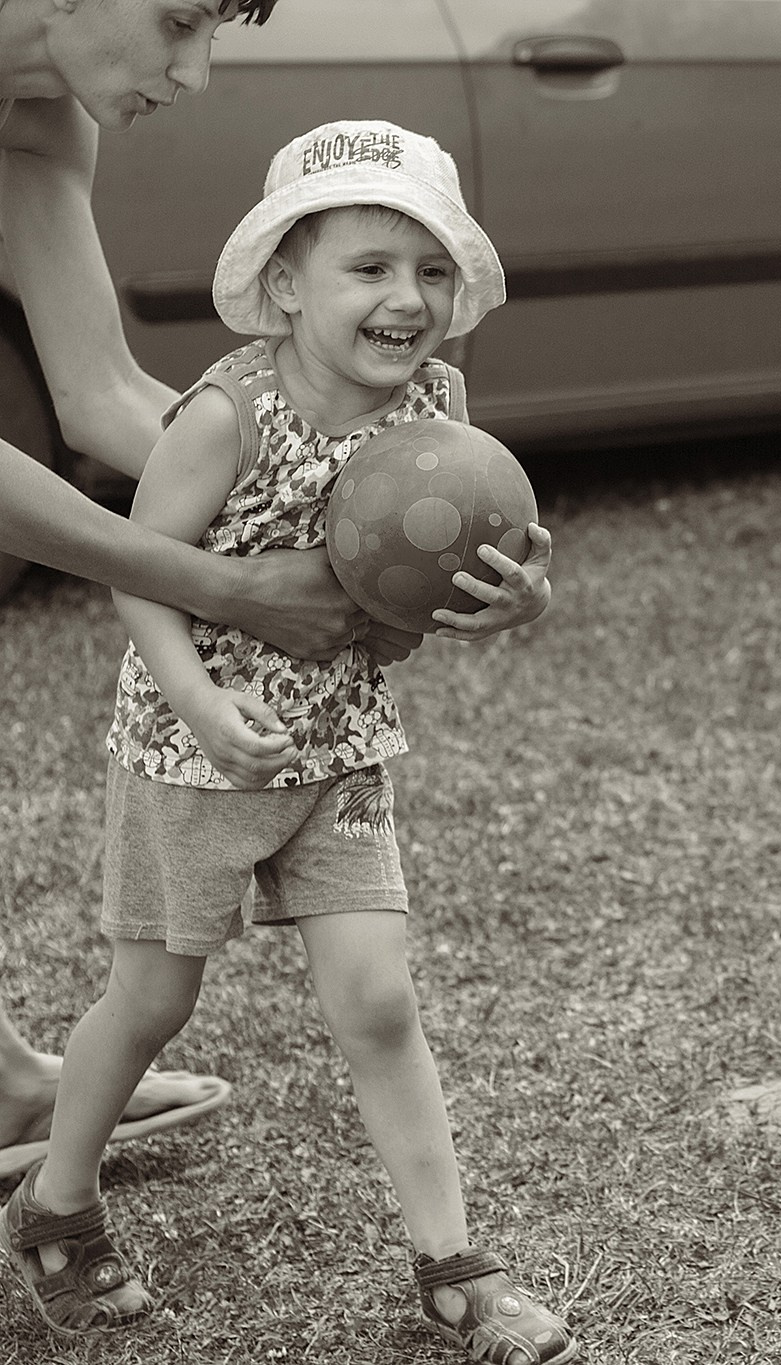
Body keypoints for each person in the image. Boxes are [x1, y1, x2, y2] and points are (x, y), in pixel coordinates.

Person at [3, 119, 578, 1364]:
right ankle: (56, 1203)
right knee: (153, 999)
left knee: (379, 1000)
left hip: (342, 747)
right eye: (369, 267)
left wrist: (513, 599)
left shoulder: (439, 408)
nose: (407, 298)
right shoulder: (227, 415)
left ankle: (454, 1268)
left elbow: (444, 568)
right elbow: (141, 573)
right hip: (191, 753)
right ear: (284, 287)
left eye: (432, 271)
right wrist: (206, 709)